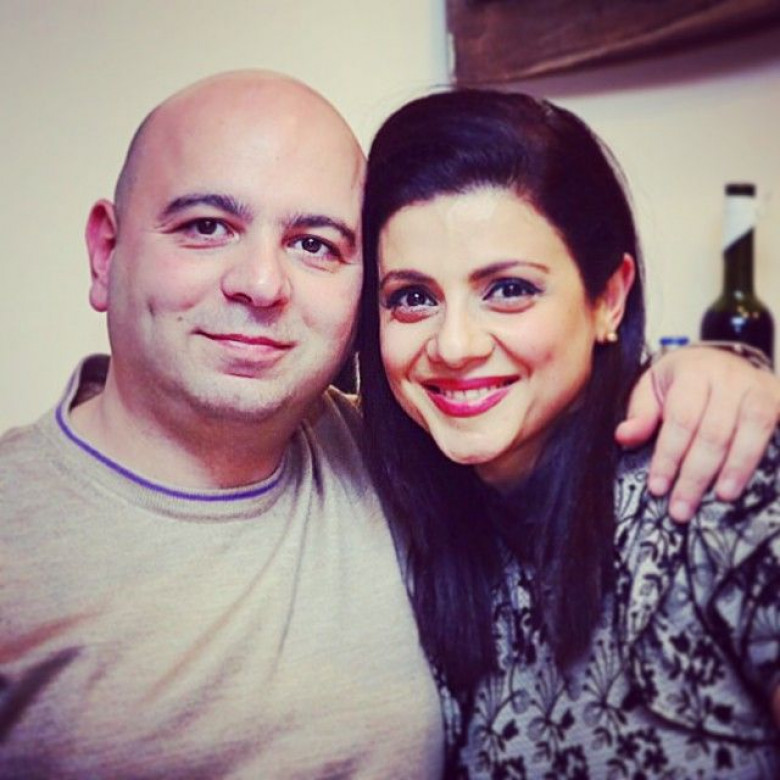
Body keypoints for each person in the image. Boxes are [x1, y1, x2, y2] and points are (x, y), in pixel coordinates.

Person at [0, 70, 776, 777]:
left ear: (609, 297)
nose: (262, 283)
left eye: (313, 244)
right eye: (206, 226)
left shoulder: (711, 476)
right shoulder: (421, 473)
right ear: (105, 253)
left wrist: (724, 370)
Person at [358, 88, 779, 778]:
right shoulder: (399, 514)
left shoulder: (714, 475)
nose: (454, 345)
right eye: (413, 297)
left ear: (608, 298)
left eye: (509, 289)